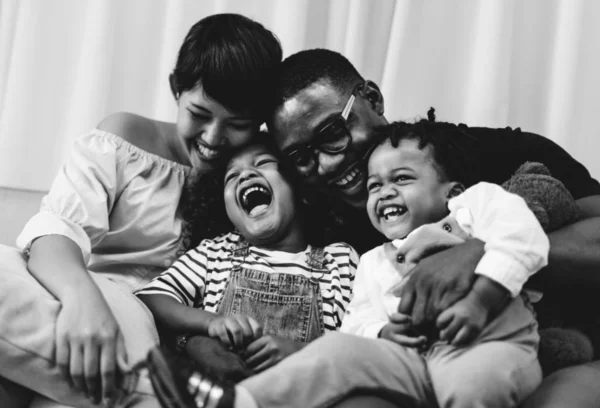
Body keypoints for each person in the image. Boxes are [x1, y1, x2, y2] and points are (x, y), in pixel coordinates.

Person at [264, 49, 600, 407]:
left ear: (372, 99)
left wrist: (476, 254)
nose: (327, 163)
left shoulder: (496, 153)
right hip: (429, 373)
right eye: (301, 157)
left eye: (333, 132)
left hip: (562, 350)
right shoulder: (322, 221)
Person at [142, 117, 550, 408]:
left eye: (402, 179)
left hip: (488, 344)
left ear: (452, 190)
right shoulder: (374, 260)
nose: (384, 192)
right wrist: (385, 332)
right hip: (413, 362)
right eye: (374, 186)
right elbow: (355, 325)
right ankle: (243, 401)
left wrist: (481, 299)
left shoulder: (475, 207)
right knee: (339, 351)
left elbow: (523, 238)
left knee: (472, 385)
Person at [0, 13, 282, 408]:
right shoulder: (124, 140)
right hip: (69, 289)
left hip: (144, 324)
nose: (214, 138)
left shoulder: (255, 180)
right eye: (200, 115)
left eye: (238, 124)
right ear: (175, 90)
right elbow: (56, 232)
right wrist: (82, 301)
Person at [136, 137, 357, 379]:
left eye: (262, 163)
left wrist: (299, 352)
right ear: (227, 211)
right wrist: (209, 322)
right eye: (231, 176)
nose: (245, 175)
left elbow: (358, 351)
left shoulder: (338, 260)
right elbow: (152, 298)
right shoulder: (216, 253)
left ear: (301, 188)